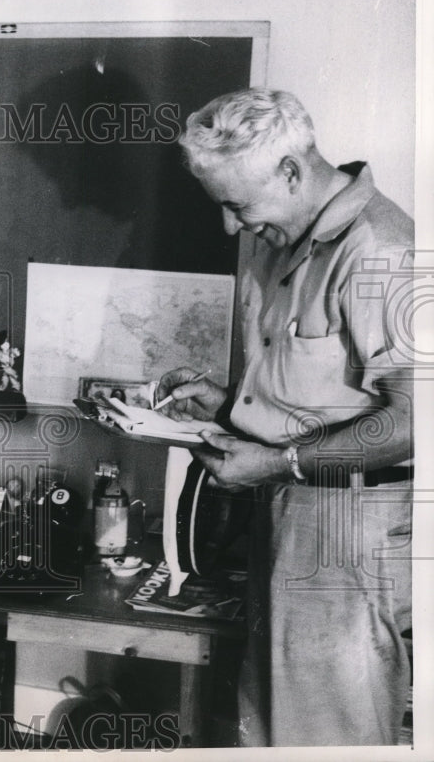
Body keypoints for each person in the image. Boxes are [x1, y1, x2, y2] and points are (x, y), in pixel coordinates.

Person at [156, 88, 413, 746]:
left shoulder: (381, 248)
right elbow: (309, 399)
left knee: (326, 735)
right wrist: (228, 402)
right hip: (283, 512)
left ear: (292, 172)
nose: (230, 227)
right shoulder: (280, 241)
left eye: (237, 205)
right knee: (267, 728)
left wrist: (275, 460)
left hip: (347, 532)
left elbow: (416, 422)